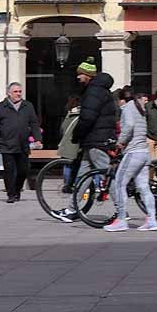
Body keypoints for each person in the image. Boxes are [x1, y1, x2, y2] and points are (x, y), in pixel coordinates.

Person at [52, 58, 117, 222]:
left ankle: (122, 211)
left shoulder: (93, 91)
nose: (78, 78)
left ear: (88, 75)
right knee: (83, 176)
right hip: (95, 140)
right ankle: (71, 210)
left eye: (80, 74)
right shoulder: (100, 90)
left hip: (97, 140)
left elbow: (87, 117)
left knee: (107, 175)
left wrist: (77, 135)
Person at [104, 93, 157, 232]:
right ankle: (152, 220)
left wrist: (120, 143)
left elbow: (128, 125)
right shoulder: (139, 109)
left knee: (118, 184)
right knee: (144, 187)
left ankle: (121, 220)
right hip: (144, 152)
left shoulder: (128, 108)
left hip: (133, 152)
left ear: (122, 100)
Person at [0, 83, 42, 204]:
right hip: (6, 144)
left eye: (20, 91)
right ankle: (11, 194)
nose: (18, 94)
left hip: (23, 144)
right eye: (16, 92)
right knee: (9, 171)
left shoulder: (27, 106)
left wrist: (38, 139)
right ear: (9, 93)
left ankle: (17, 189)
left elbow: (34, 123)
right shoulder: (0, 107)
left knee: (23, 170)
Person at [58, 97, 81, 191]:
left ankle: (67, 185)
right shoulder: (82, 115)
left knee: (67, 166)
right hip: (77, 144)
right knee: (78, 165)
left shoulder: (69, 115)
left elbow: (62, 129)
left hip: (67, 144)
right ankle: (77, 185)